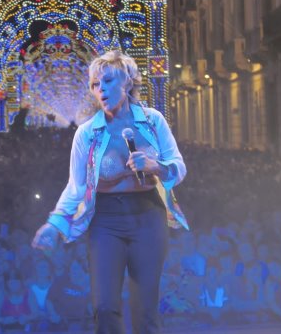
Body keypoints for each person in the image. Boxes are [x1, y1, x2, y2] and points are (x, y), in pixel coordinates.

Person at [32, 50, 188, 334]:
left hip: (148, 216)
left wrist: (156, 166)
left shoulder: (153, 121)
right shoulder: (87, 133)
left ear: (127, 82)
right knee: (105, 308)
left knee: (145, 310)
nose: (100, 89)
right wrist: (54, 224)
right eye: (94, 84)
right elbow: (76, 186)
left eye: (107, 81)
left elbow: (178, 167)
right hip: (105, 221)